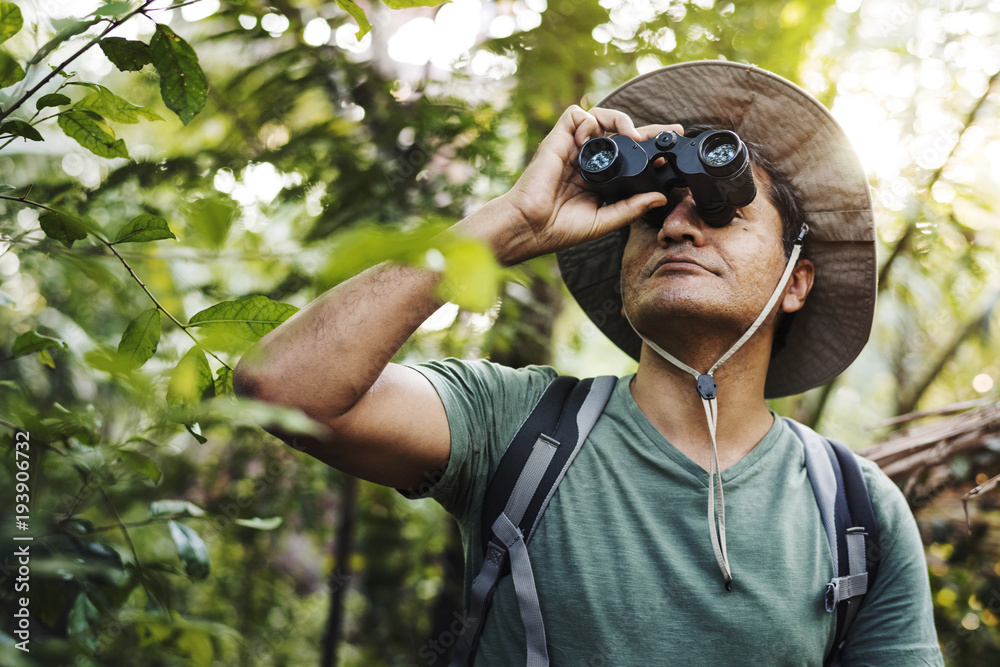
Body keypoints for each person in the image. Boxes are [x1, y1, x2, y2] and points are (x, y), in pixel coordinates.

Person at [234, 61, 943, 665]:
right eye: (651, 211)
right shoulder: (519, 427)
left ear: (796, 282)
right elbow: (282, 386)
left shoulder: (856, 508)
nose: (675, 223)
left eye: (724, 212)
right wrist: (509, 223)